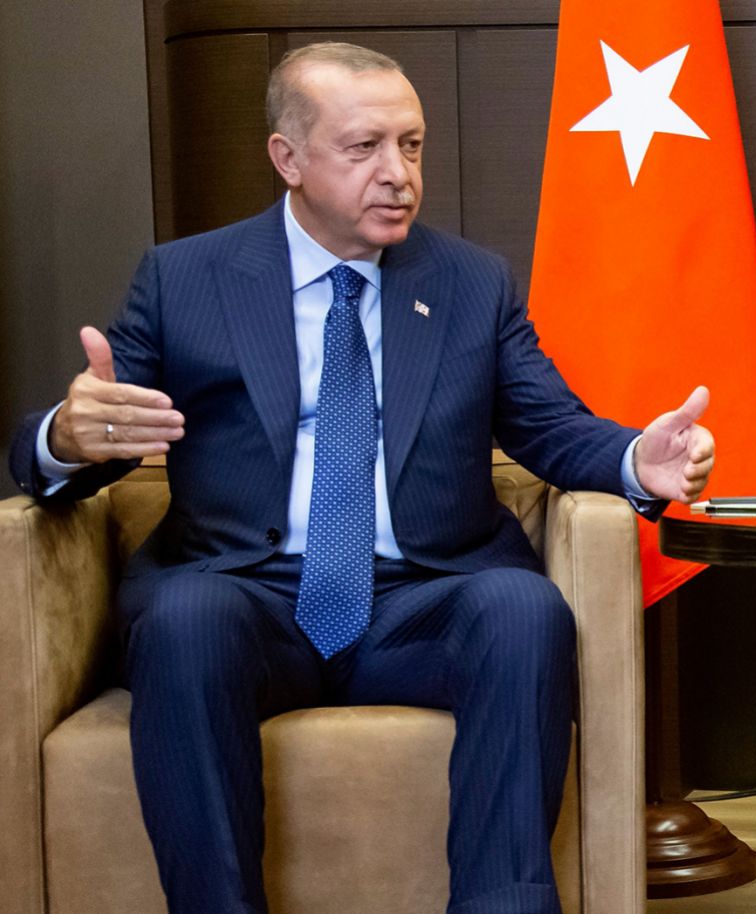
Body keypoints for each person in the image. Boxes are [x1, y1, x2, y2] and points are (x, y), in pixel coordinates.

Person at [5, 42, 715, 914]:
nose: (397, 173)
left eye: (411, 145)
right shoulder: (186, 279)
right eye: (364, 147)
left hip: (421, 601)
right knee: (184, 616)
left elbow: (550, 426)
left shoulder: (469, 283)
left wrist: (637, 460)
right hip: (245, 597)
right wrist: (67, 439)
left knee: (523, 608)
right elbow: (93, 427)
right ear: (288, 159)